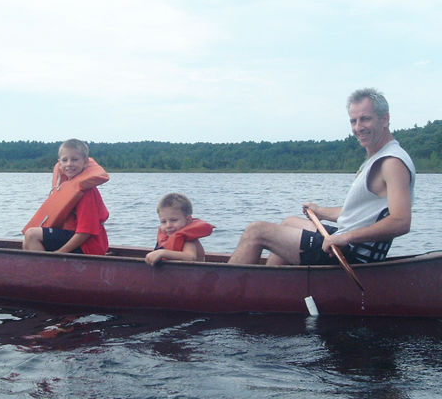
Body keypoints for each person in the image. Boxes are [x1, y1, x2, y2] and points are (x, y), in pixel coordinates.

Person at [228, 88, 415, 266]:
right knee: (289, 223)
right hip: (347, 241)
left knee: (256, 231)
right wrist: (320, 211)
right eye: (353, 121)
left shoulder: (392, 162)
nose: (358, 127)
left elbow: (401, 222)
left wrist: (345, 237)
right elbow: (359, 215)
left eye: (365, 119)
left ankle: (232, 287)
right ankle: (275, 282)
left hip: (351, 253)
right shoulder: (378, 157)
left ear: (385, 119)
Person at [22, 139, 109, 254]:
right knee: (27, 240)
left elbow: (85, 232)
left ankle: (49, 264)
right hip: (72, 236)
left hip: (89, 245)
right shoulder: (66, 186)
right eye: (65, 160)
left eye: (75, 159)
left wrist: (60, 253)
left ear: (85, 162)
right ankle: (45, 264)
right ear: (59, 163)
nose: (69, 164)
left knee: (32, 235)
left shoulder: (86, 191)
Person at [145, 193, 214, 266]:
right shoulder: (166, 238)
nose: (168, 225)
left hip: (195, 273)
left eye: (174, 220)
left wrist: (163, 252)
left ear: (188, 220)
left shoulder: (188, 238)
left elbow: (190, 257)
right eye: (163, 222)